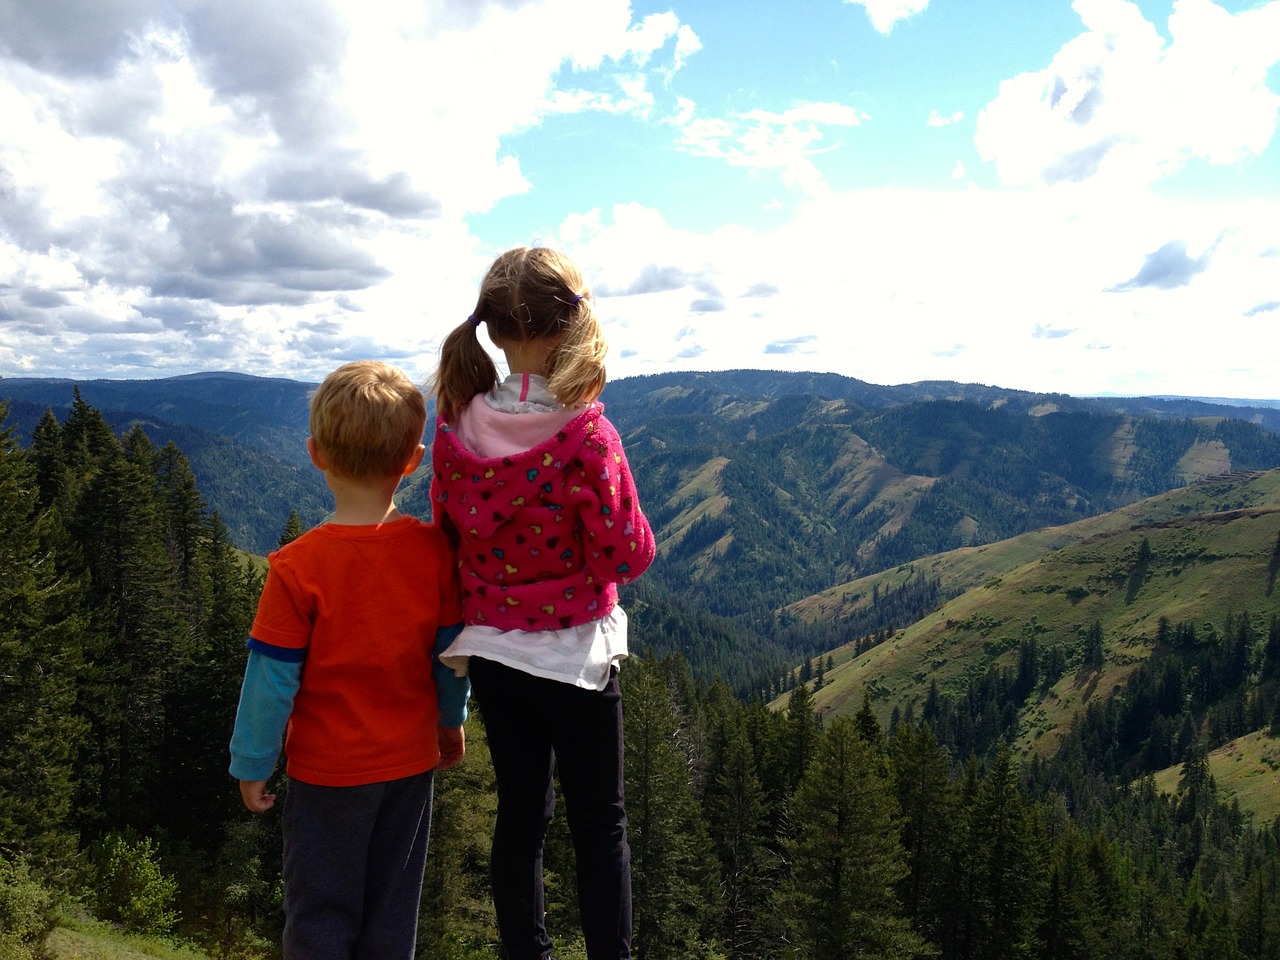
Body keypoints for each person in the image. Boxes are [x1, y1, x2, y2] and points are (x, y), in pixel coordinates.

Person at [431, 246, 656, 960]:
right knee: (600, 827)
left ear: (493, 333)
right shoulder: (586, 432)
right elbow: (627, 554)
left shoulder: (458, 428)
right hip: (576, 659)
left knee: (522, 818)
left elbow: (445, 537)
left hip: (493, 654)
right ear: (568, 328)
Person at [228, 360, 469, 960]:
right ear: (413, 459)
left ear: (315, 454)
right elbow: (450, 657)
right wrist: (451, 722)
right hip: (410, 765)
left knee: (321, 920)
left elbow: (271, 679)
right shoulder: (433, 553)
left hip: (327, 774)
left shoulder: (296, 568)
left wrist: (251, 762)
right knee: (391, 919)